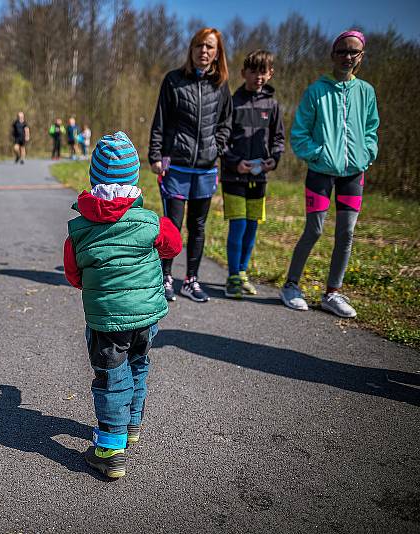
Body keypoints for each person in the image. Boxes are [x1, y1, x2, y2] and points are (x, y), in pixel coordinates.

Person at [63, 132, 182, 478]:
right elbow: (173, 245)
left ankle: (110, 449)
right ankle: (131, 425)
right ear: (133, 179)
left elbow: (73, 274)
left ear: (93, 178)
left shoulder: (80, 230)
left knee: (112, 375)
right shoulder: (150, 222)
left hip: (106, 319)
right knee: (138, 363)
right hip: (146, 314)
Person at [280, 30, 379, 318]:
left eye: (353, 52)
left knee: (346, 233)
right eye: (342, 52)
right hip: (320, 173)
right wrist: (320, 154)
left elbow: (371, 130)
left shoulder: (367, 92)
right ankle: (291, 286)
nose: (347, 57)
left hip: (353, 174)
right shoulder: (316, 91)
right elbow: (299, 135)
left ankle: (332, 292)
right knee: (315, 229)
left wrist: (366, 154)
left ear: (360, 57)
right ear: (333, 55)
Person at [148, 27, 233, 303]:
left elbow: (226, 123)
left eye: (209, 47)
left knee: (198, 225)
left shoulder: (220, 85)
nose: (204, 51)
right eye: (199, 46)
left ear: (217, 53)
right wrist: (155, 155)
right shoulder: (173, 80)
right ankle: (166, 277)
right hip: (177, 166)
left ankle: (191, 280)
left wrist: (216, 147)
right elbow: (160, 120)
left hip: (206, 168)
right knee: (172, 225)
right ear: (191, 49)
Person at [221, 50, 285, 298]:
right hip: (233, 176)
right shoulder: (232, 102)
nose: (259, 76)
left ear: (270, 73)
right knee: (237, 226)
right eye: (254, 71)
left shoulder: (273, 105)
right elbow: (222, 139)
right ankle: (232, 277)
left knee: (251, 226)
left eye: (264, 71)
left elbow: (278, 139)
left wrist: (274, 159)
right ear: (243, 73)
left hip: (259, 178)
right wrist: (235, 162)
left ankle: (243, 272)